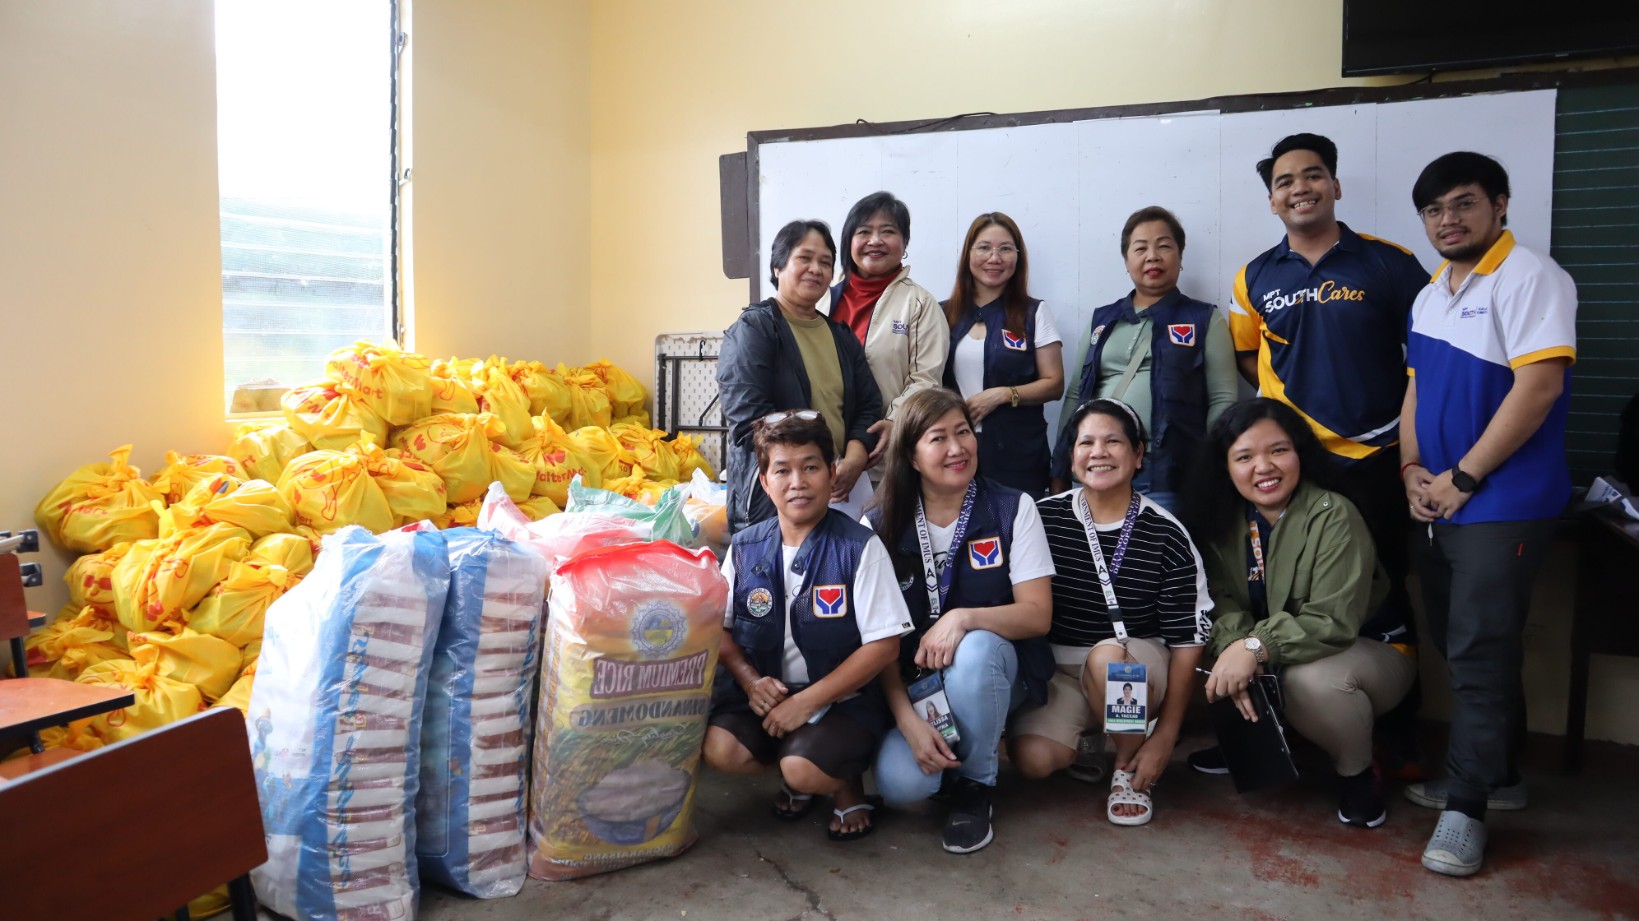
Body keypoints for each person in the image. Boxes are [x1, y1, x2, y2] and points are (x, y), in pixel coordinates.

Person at [1399, 152, 1576, 877]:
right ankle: (1496, 775)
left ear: (1499, 204)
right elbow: (1412, 392)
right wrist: (1411, 469)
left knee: (1476, 649)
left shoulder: (1530, 276)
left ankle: (1465, 808)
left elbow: (1536, 388)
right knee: (1463, 642)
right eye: (1435, 210)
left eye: (1463, 204)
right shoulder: (1431, 293)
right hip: (1437, 499)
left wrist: (1465, 475)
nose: (1448, 219)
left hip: (1498, 499)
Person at [1231, 134, 1431, 773]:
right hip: (1291, 467)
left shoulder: (1390, 264)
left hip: (1377, 461)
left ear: (1336, 186)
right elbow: (1247, 358)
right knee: (1279, 595)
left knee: (1384, 594)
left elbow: (1430, 361)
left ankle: (1394, 737)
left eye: (1312, 176)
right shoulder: (1253, 276)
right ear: (1272, 201)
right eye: (1285, 181)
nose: (1300, 189)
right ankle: (1288, 739)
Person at [1181, 398, 1416, 829]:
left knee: (1311, 681)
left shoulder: (1334, 514)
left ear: (1300, 454)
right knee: (1207, 647)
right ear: (1226, 467)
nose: (1263, 467)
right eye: (1245, 456)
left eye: (1278, 450)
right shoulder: (1220, 520)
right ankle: (1252, 745)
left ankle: (1358, 773)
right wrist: (1238, 645)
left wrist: (1254, 647)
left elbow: (1331, 621)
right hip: (1284, 650)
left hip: (1367, 652)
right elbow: (1217, 601)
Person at [703, 410, 911, 841]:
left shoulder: (859, 546)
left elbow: (884, 647)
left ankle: (835, 780)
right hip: (767, 697)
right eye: (782, 470)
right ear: (764, 481)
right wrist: (750, 682)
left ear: (832, 473)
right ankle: (797, 764)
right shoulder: (744, 548)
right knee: (720, 749)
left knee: (803, 769)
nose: (797, 481)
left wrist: (806, 703)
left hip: (843, 702)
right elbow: (718, 629)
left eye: (811, 467)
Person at [864, 387, 1054, 854]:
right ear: (910, 454)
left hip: (996, 671)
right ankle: (952, 751)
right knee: (899, 787)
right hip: (917, 687)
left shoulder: (1013, 508)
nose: (957, 448)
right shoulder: (879, 524)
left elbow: (1037, 616)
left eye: (964, 432)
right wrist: (907, 719)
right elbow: (879, 641)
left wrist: (964, 617)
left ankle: (977, 786)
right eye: (938, 438)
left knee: (976, 649)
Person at [1009, 399, 1209, 827]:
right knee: (1033, 760)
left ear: (1138, 455)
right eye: (1086, 442)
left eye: (1113, 441)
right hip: (1060, 668)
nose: (1098, 452)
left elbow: (1188, 640)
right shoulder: (1041, 518)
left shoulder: (1166, 531)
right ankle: (1092, 738)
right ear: (1072, 455)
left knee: (1109, 660)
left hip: (1134, 661)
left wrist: (1168, 735)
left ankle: (1127, 764)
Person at [1053, 206, 1236, 512]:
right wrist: (1060, 464)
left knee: (1156, 556)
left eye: (1164, 246)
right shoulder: (1103, 319)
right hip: (1099, 467)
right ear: (1127, 261)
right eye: (1140, 248)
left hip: (1168, 474)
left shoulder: (1204, 319)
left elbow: (1224, 398)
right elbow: (1075, 393)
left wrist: (1210, 464)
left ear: (1180, 257)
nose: (1152, 256)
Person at [718, 220, 884, 534]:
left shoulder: (840, 336)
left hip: (844, 491)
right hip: (776, 501)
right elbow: (748, 421)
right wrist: (813, 469)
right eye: (804, 258)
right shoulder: (755, 330)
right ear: (778, 266)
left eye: (825, 262)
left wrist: (854, 459)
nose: (816, 269)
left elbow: (869, 405)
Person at [942, 212, 1065, 495]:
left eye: (1006, 249)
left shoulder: (1035, 313)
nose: (994, 258)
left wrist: (1002, 395)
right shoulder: (941, 314)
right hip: (954, 453)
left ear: (1018, 257)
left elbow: (1054, 383)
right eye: (984, 247)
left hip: (1017, 454)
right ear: (967, 254)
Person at [829, 192, 951, 462]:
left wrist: (893, 422)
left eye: (887, 231)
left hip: (884, 451)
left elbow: (926, 380)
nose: (875, 241)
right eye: (864, 231)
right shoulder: (822, 300)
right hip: (821, 453)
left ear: (904, 242)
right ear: (849, 240)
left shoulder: (920, 303)